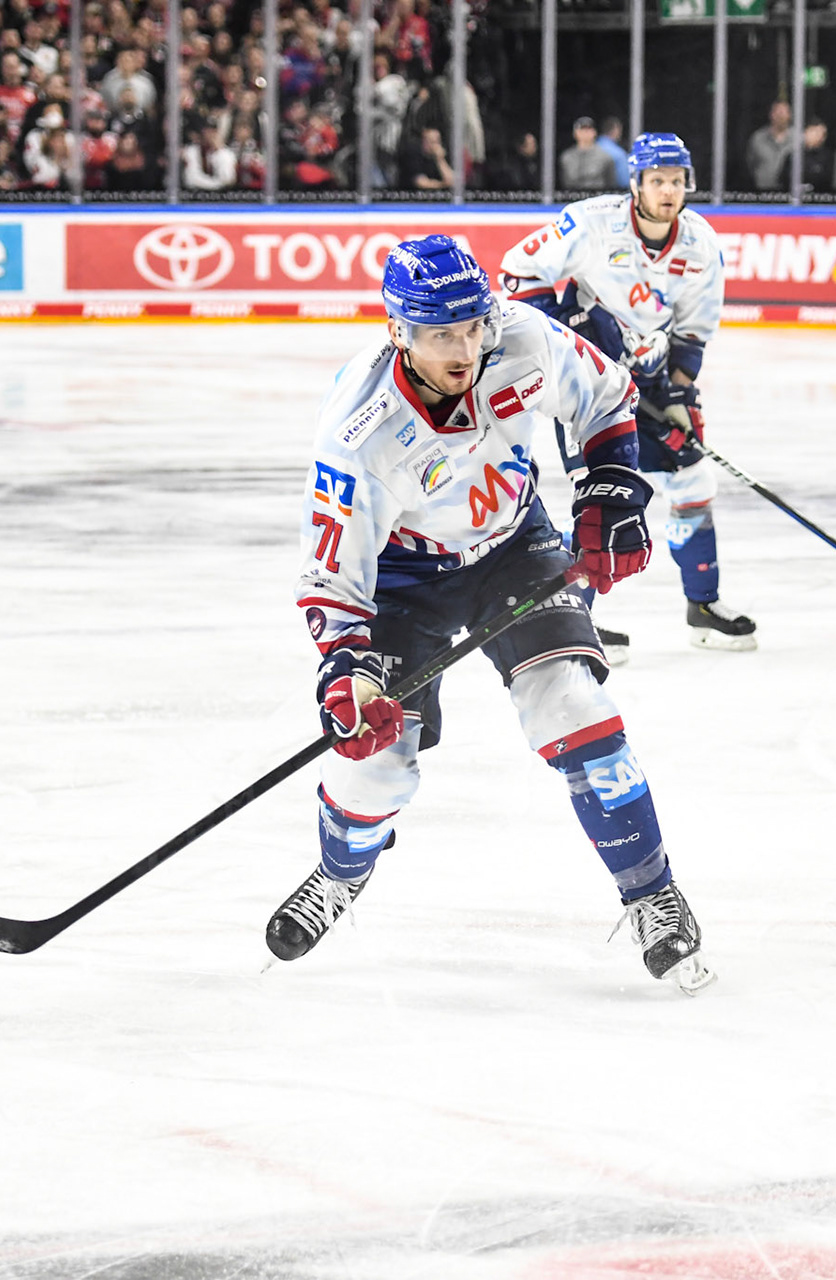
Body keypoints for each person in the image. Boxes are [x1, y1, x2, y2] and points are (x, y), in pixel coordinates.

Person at [268, 235, 714, 995]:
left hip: (514, 547)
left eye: (473, 326)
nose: (466, 349)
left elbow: (606, 396)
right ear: (398, 331)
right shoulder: (358, 433)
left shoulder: (521, 336)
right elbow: (334, 578)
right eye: (442, 334)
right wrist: (348, 675)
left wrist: (610, 492)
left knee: (574, 708)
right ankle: (339, 873)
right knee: (373, 767)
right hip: (401, 579)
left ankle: (653, 895)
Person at [500, 132, 755, 661]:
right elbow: (517, 271)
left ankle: (703, 607)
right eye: (657, 180)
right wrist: (568, 335)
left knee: (694, 480)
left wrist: (681, 393)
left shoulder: (700, 243)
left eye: (677, 181)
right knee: (600, 492)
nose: (668, 191)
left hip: (651, 377)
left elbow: (694, 329)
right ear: (636, 183)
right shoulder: (592, 222)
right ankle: (574, 621)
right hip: (590, 385)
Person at [745, 98, 792, 190]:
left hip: (790, 193)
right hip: (762, 192)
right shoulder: (758, 138)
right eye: (777, 112)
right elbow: (750, 164)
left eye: (783, 112)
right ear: (771, 114)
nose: (780, 116)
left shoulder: (798, 139)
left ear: (789, 115)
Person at [559, 115, 615, 190]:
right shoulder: (566, 157)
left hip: (598, 195)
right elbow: (564, 183)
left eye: (589, 129)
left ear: (594, 132)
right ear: (575, 133)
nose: (585, 133)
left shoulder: (605, 157)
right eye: (582, 129)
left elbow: (610, 184)